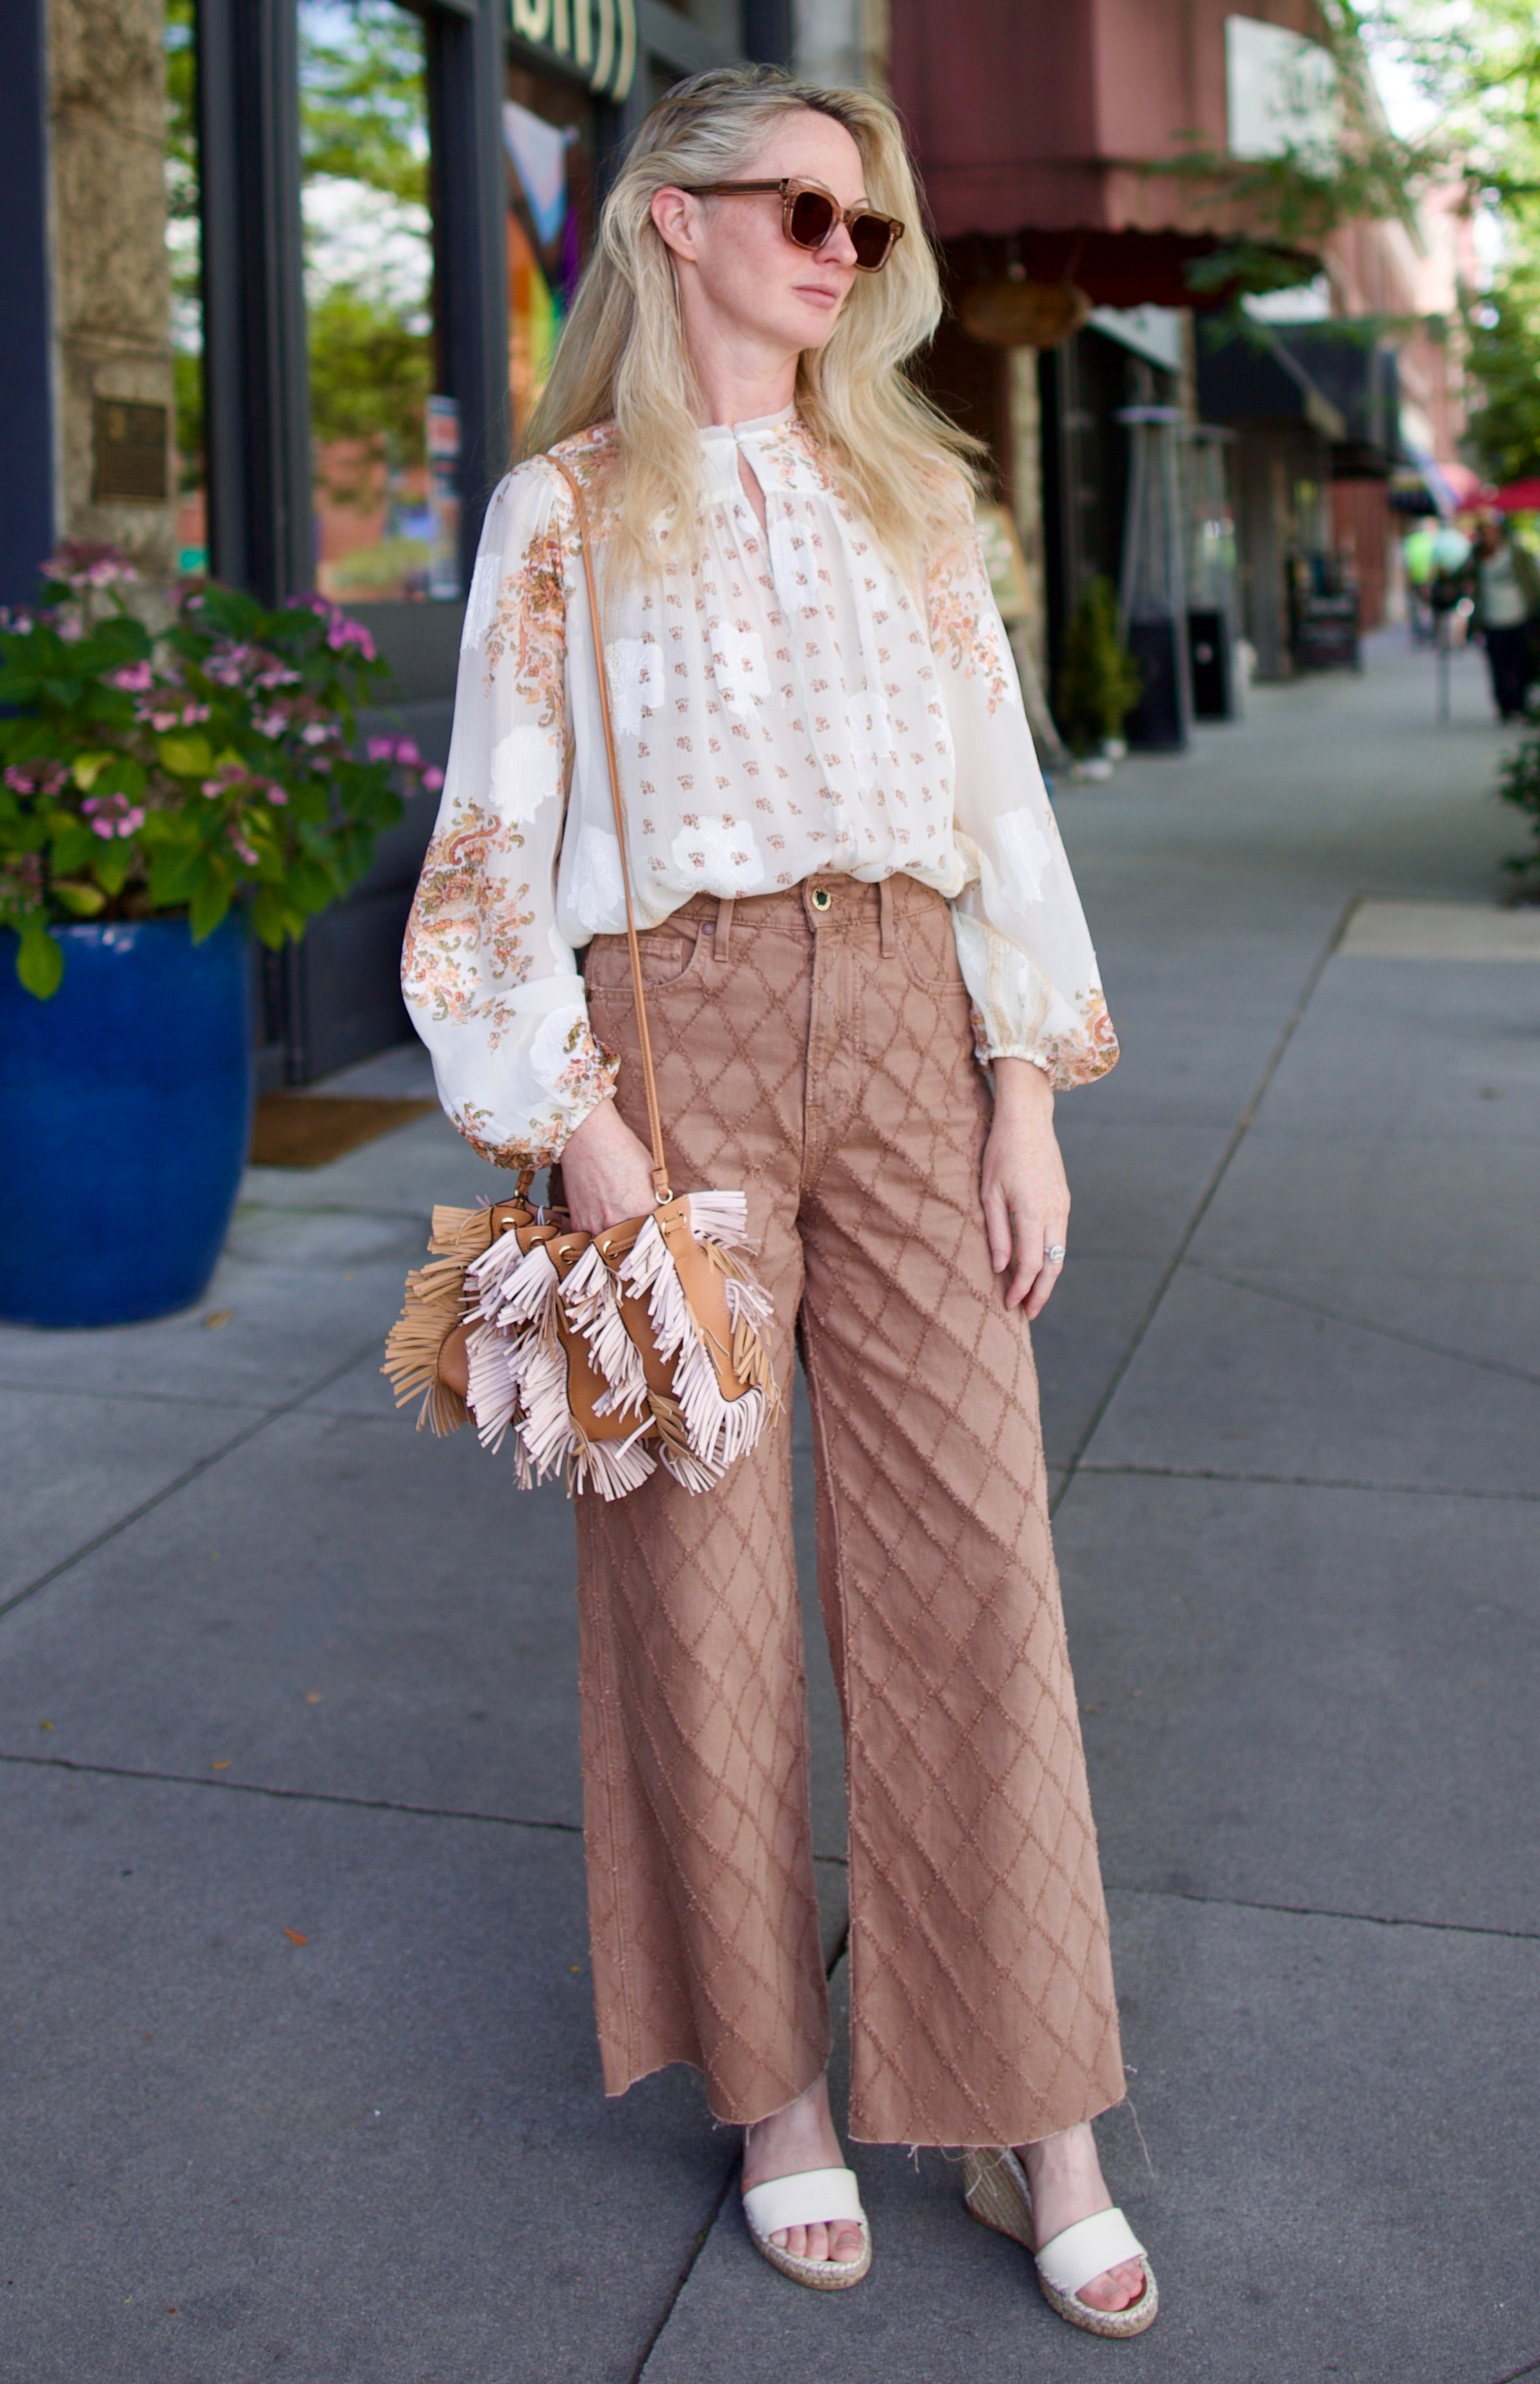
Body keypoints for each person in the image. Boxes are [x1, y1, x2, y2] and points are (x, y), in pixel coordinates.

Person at [402, 65, 1156, 2339]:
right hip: (672, 1051)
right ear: (671, 224)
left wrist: (1020, 1090)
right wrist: (591, 1134)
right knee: (700, 1596)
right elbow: (483, 871)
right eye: (806, 212)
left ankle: (1044, 2116)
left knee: (978, 1566)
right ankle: (778, 2089)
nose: (846, 252)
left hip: (913, 1030)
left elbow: (999, 817)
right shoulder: (564, 508)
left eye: (870, 224)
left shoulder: (915, 500)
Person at [1470, 514, 1540, 720]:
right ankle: (1504, 705)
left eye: (1492, 531)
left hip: (1519, 616)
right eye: (1484, 532)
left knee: (1521, 663)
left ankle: (1519, 704)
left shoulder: (1516, 553)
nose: (1489, 536)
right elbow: (1463, 577)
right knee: (1497, 665)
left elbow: (1534, 580)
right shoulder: (1477, 555)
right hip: (1491, 619)